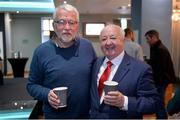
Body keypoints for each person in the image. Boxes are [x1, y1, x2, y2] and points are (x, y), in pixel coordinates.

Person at [26, 4, 96, 119]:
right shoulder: (41, 51)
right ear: (54, 25)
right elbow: (32, 85)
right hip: (55, 116)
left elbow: (95, 76)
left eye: (72, 22)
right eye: (62, 22)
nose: (67, 27)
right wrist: (47, 94)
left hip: (86, 115)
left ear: (77, 25)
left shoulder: (87, 46)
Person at [90, 24, 161, 119]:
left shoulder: (141, 69)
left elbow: (153, 103)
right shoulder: (95, 64)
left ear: (123, 40)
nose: (108, 42)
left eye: (113, 38)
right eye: (103, 39)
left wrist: (124, 102)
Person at [145, 29, 176, 118]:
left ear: (154, 37)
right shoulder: (155, 48)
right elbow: (154, 63)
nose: (147, 41)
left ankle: (162, 117)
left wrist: (152, 81)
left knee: (159, 101)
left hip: (161, 80)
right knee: (158, 101)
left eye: (148, 39)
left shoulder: (160, 50)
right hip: (159, 79)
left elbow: (160, 69)